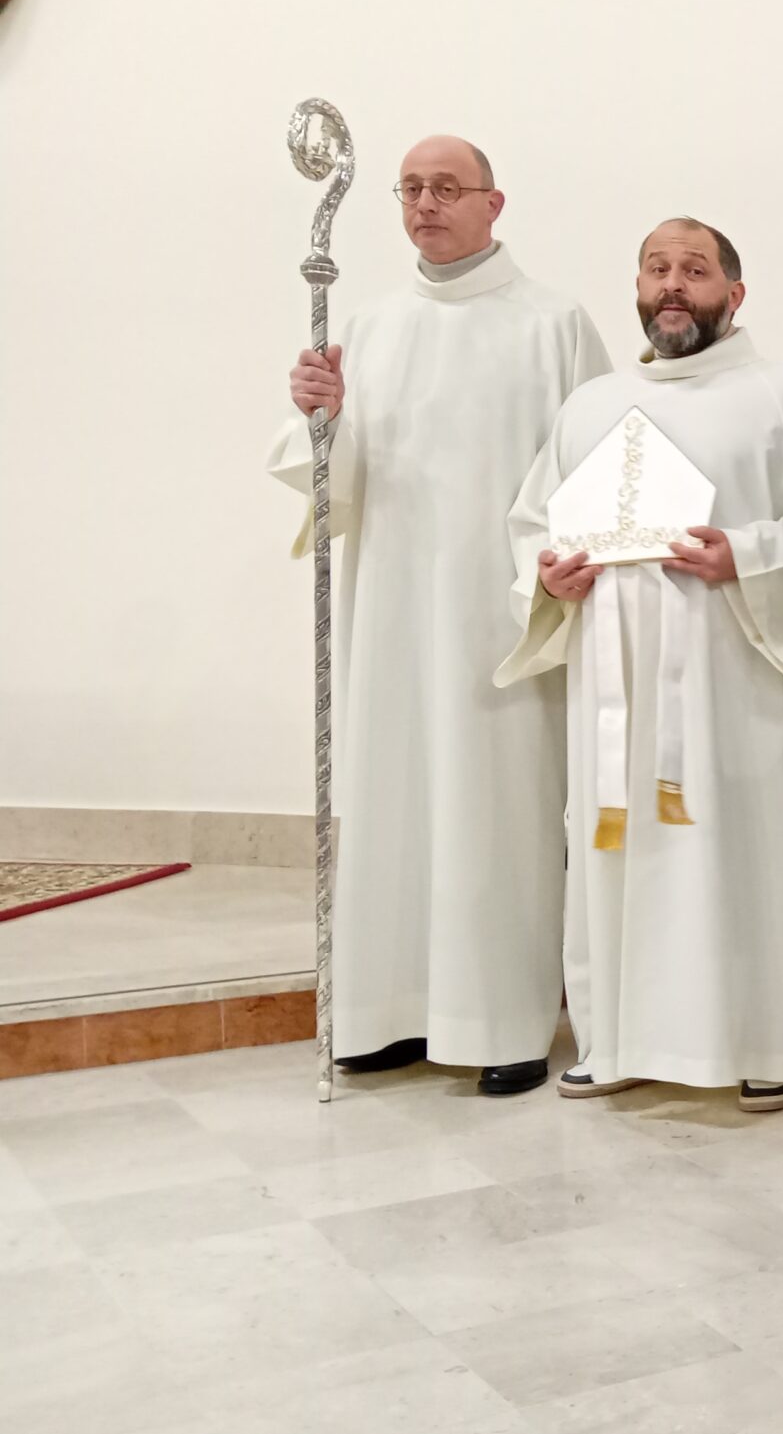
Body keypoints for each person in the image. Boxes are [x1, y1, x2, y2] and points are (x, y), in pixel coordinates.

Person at [265, 136, 609, 1097]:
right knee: (392, 802)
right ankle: (387, 1014)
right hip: (392, 614)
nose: (426, 203)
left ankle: (502, 1022)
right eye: (411, 188)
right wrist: (321, 416)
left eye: (447, 187)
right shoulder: (370, 326)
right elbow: (336, 479)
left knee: (498, 811)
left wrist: (562, 568)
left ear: (494, 203)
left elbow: (595, 459)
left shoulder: (553, 324)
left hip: (502, 614)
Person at [495, 218, 783, 1112]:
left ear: (735, 291)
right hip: (612, 686)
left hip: (733, 680)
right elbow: (534, 522)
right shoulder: (593, 404)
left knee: (733, 853)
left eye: (695, 269)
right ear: (639, 289)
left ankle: (763, 1041)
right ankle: (615, 1038)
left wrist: (748, 557)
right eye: (657, 269)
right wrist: (548, 576)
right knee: (617, 849)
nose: (673, 285)